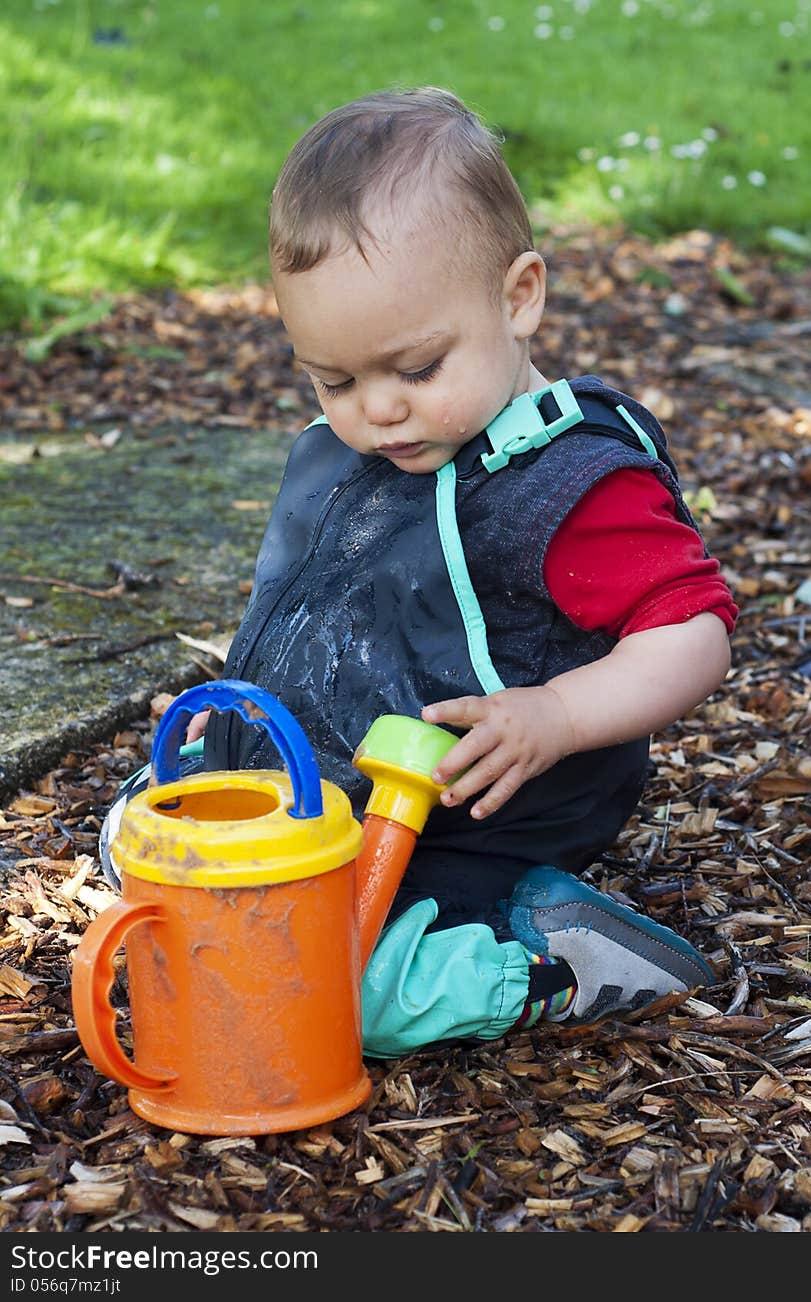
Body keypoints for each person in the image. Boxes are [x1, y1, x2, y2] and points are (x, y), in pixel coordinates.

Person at [107, 87, 738, 1058]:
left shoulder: (563, 488)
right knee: (160, 880)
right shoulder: (364, 455)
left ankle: (546, 965)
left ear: (518, 295)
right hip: (337, 795)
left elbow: (692, 627)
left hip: (473, 821)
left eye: (414, 368)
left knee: (325, 1001)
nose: (378, 412)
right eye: (336, 381)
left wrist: (559, 714)